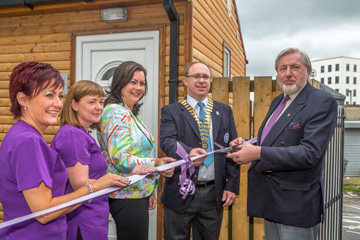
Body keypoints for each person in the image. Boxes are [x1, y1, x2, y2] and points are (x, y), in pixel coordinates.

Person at [0, 62, 134, 239]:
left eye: (59, 96)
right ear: (23, 99)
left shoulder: (21, 134)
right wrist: (97, 185)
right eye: (49, 95)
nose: (57, 104)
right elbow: (44, 212)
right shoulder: (28, 141)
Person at [227, 48, 338, 240]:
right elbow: (274, 139)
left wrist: (257, 153)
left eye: (295, 67)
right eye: (282, 68)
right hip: (272, 200)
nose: (288, 73)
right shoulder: (279, 101)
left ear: (308, 70)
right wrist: (247, 143)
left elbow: (309, 153)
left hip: (296, 205)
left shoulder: (321, 102)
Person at [51, 80, 156, 240]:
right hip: (82, 220)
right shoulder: (73, 135)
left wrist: (134, 171)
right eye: (92, 102)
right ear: (74, 105)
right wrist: (113, 180)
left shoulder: (82, 134)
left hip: (94, 215)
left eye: (101, 101)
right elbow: (79, 183)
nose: (99, 107)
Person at [159, 61, 240, 240]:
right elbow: (167, 141)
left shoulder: (224, 110)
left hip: (214, 193)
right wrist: (187, 153)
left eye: (205, 77)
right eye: (196, 76)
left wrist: (231, 186)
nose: (201, 80)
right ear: (185, 80)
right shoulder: (171, 111)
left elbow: (231, 149)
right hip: (180, 191)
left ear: (210, 81)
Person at [99, 61, 175, 240]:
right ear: (119, 83)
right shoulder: (115, 112)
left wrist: (150, 190)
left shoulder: (129, 113)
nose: (138, 87)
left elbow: (141, 155)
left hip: (136, 192)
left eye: (142, 83)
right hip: (125, 195)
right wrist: (156, 163)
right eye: (133, 82)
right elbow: (120, 158)